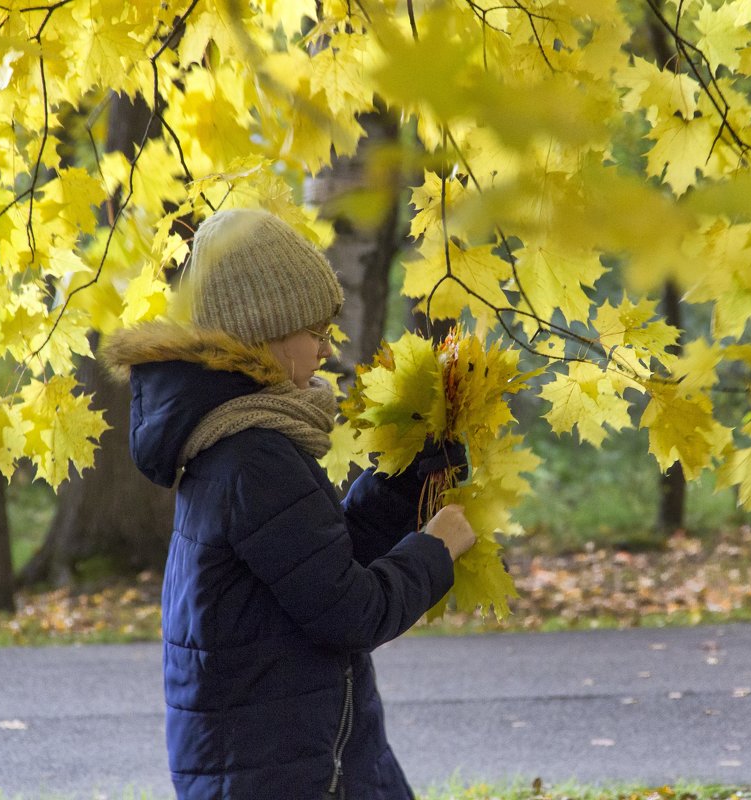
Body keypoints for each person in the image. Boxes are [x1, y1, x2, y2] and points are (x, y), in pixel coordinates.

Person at [102, 208, 476, 799]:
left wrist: (403, 480)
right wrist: (436, 550)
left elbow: (317, 564)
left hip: (292, 755)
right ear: (264, 333)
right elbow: (349, 612)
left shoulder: (239, 437)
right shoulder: (253, 454)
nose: (326, 349)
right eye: (314, 331)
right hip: (282, 770)